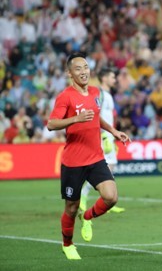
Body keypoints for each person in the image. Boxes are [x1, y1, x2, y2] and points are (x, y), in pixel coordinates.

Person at [47, 53, 130, 260]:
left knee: (111, 197)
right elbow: (51, 124)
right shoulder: (65, 96)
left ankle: (88, 216)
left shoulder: (94, 92)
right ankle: (68, 244)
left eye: (85, 67)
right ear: (69, 73)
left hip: (95, 158)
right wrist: (76, 118)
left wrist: (113, 131)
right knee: (71, 207)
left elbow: (96, 115)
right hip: (73, 162)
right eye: (78, 69)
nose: (83, 72)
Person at [80, 68, 125, 215]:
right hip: (102, 137)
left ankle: (106, 201)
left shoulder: (108, 95)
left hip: (109, 137)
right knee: (104, 170)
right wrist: (104, 136)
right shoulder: (99, 94)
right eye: (112, 77)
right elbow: (95, 114)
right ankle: (83, 195)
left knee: (110, 168)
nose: (115, 79)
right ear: (104, 78)